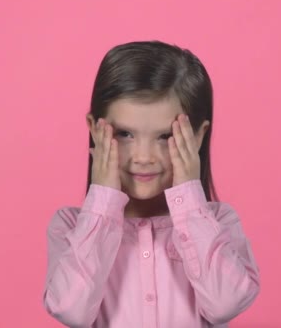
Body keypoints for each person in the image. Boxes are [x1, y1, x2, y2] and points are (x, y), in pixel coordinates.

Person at [42, 40, 260, 328]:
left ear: (197, 136)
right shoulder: (71, 226)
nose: (143, 158)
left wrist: (189, 200)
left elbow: (226, 304)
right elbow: (71, 310)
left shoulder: (217, 222)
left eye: (164, 136)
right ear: (96, 130)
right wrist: (104, 202)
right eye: (124, 134)